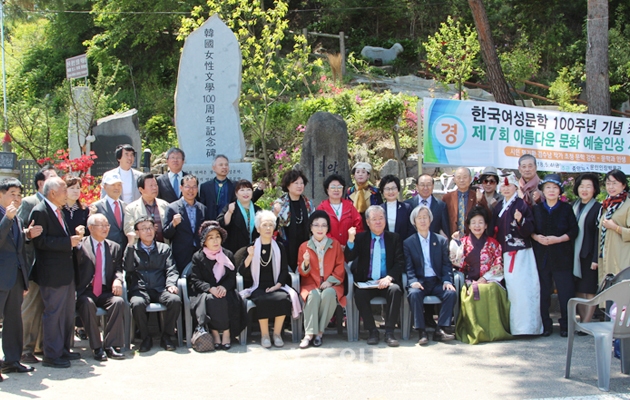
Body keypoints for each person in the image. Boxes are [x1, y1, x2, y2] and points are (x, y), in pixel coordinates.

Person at [30, 177, 84, 368]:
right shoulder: (40, 211)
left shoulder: (58, 211)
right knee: (54, 314)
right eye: (63, 189)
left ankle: (63, 350)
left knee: (67, 314)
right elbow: (40, 242)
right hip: (52, 273)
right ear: (52, 192)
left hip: (66, 271)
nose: (67, 193)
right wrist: (67, 242)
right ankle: (51, 355)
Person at [239, 210, 302, 348]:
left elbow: (284, 269)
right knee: (263, 299)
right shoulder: (252, 247)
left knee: (283, 298)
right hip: (257, 286)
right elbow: (242, 272)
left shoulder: (279, 247)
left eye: (270, 225)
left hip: (276, 285)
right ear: (258, 228)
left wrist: (278, 285)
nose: (268, 228)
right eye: (264, 225)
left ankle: (277, 334)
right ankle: (265, 335)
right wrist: (249, 256)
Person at [491, 173, 543, 335]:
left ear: (515, 187)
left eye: (509, 185)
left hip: (521, 254)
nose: (506, 188)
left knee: (524, 289)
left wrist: (521, 221)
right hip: (504, 253)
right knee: (512, 291)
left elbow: (530, 229)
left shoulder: (522, 205)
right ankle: (515, 327)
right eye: (503, 186)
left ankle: (528, 328)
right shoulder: (498, 206)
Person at [344, 206, 403, 347]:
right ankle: (372, 331)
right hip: (367, 282)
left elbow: (400, 262)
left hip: (386, 281)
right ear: (368, 222)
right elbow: (349, 256)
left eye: (381, 218)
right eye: (374, 219)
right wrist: (350, 241)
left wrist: (389, 277)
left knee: (396, 291)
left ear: (385, 220)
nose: (378, 222)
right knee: (359, 294)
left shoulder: (394, 238)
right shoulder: (361, 238)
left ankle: (389, 332)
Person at [451, 206, 511, 344]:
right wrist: (455, 244)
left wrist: (484, 278)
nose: (477, 226)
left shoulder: (494, 244)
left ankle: (494, 330)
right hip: (469, 281)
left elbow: (498, 264)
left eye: (480, 222)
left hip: (490, 280)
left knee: (490, 289)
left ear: (486, 226)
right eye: (474, 222)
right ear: (469, 225)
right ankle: (474, 330)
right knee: (472, 291)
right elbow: (455, 261)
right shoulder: (464, 242)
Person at [0, 178, 41, 379]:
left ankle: (12, 361)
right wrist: (6, 218)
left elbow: (18, 249)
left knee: (14, 321)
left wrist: (27, 234)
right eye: (11, 194)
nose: (16, 198)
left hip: (15, 277)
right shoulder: (8, 216)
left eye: (18, 194)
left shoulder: (16, 217)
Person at [124, 217, 181, 352]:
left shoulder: (164, 248)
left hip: (160, 288)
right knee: (137, 304)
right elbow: (128, 268)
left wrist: (171, 284)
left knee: (175, 300)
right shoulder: (133, 249)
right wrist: (130, 246)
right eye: (143, 229)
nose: (148, 231)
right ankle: (145, 338)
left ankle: (167, 336)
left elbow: (171, 269)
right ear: (137, 233)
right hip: (140, 288)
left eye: (150, 227)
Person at [532, 174, 578, 337]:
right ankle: (546, 325)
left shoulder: (566, 208)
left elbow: (574, 231)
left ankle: (566, 325)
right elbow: (531, 229)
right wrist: (537, 237)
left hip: (562, 256)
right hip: (542, 255)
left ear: (560, 191)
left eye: (555, 187)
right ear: (543, 191)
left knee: (565, 292)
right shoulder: (537, 209)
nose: (551, 191)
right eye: (548, 187)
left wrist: (558, 239)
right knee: (544, 292)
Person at [19, 165, 57, 364]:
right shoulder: (29, 202)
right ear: (41, 183)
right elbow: (20, 231)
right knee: (31, 307)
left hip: (50, 266)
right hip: (33, 264)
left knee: (45, 306)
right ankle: (25, 348)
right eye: (52, 177)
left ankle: (41, 346)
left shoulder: (56, 204)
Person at [75, 214, 126, 361]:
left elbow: (118, 268)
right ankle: (97, 347)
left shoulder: (114, 247)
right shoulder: (80, 245)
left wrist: (118, 279)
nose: (105, 228)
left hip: (105, 289)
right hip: (86, 290)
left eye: (107, 225)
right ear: (90, 228)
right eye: (101, 225)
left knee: (118, 302)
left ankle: (111, 345)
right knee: (87, 304)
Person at [188, 221, 246, 350]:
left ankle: (226, 332)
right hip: (205, 292)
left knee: (225, 299)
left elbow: (232, 277)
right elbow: (195, 280)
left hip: (227, 291)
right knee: (211, 299)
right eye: (211, 237)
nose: (215, 241)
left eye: (217, 237)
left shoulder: (228, 254)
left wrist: (224, 287)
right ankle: (214, 333)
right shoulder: (198, 257)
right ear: (205, 241)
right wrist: (210, 288)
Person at [404, 205, 456, 345]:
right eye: (419, 218)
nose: (422, 221)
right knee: (414, 294)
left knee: (450, 293)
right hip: (420, 281)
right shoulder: (409, 243)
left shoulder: (440, 241)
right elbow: (408, 267)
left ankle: (441, 329)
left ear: (430, 220)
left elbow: (446, 264)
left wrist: (447, 281)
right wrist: (413, 281)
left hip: (437, 280)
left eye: (425, 217)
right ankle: (421, 331)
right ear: (414, 221)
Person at [297, 211, 346, 349]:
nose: (320, 228)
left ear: (328, 228)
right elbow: (303, 273)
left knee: (329, 294)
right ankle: (309, 334)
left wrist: (330, 281)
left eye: (324, 225)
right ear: (311, 227)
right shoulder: (304, 246)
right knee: (313, 296)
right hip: (311, 283)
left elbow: (340, 266)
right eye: (316, 225)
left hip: (332, 284)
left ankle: (319, 333)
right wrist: (306, 263)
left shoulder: (335, 244)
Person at [572, 173, 602, 324]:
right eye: (581, 186)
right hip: (574, 256)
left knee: (589, 290)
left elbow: (599, 235)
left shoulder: (598, 208)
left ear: (594, 189)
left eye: (588, 186)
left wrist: (596, 258)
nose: (584, 190)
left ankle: (587, 322)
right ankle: (582, 321)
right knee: (578, 290)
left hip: (589, 256)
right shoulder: (574, 206)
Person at [163, 175, 208, 274]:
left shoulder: (203, 208)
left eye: (194, 187)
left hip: (199, 253)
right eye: (187, 186)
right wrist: (173, 224)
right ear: (181, 188)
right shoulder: (172, 208)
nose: (191, 190)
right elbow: (166, 233)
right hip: (181, 253)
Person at [199, 155, 265, 221]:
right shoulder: (205, 186)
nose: (224, 167)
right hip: (211, 223)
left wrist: (259, 190)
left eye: (226, 165)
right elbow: (202, 208)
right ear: (213, 168)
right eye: (221, 165)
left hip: (231, 223)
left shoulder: (236, 185)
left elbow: (247, 200)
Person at [272, 169, 315, 270]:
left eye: (302, 183)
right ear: (288, 185)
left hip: (306, 243)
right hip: (286, 244)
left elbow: (313, 222)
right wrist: (275, 213)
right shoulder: (280, 203)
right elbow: (273, 226)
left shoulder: (308, 203)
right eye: (296, 183)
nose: (300, 186)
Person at [597, 169, 630, 283]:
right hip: (606, 255)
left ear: (624, 185)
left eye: (615, 183)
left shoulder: (627, 205)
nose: (611, 186)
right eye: (608, 183)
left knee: (620, 293)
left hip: (622, 257)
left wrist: (615, 227)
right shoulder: (607, 205)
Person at [316, 174, 363, 247]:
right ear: (327, 189)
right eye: (333, 187)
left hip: (349, 249)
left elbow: (358, 226)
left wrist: (350, 243)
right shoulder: (322, 208)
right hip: (327, 248)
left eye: (339, 187)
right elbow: (318, 229)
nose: (336, 190)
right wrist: (336, 245)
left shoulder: (350, 207)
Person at [442, 167, 489, 238]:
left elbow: (487, 216)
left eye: (465, 177)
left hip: (472, 239)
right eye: (459, 177)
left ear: (470, 179)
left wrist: (480, 201)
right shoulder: (447, 198)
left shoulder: (477, 196)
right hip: (453, 238)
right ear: (454, 179)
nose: (462, 180)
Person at [217, 180, 261, 254]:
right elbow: (221, 225)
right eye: (242, 190)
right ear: (236, 193)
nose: (245, 193)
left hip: (254, 250)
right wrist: (230, 212)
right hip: (234, 250)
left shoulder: (257, 209)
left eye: (248, 190)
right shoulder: (230, 207)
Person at [124, 173, 169, 243]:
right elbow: (128, 229)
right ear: (141, 189)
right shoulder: (131, 209)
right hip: (142, 249)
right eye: (151, 186)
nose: (154, 188)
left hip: (163, 250)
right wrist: (146, 231)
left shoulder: (165, 205)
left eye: (156, 185)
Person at [405, 174, 450, 238]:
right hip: (413, 245)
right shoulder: (407, 205)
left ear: (433, 186)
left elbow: (445, 230)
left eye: (428, 185)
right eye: (422, 185)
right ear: (417, 186)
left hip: (434, 244)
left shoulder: (441, 206)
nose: (425, 188)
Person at [91, 173, 127, 248]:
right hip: (106, 248)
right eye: (113, 185)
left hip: (124, 248)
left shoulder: (126, 206)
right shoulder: (97, 207)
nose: (117, 188)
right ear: (105, 187)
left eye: (119, 185)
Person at [346, 162, 382, 227]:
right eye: (358, 172)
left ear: (368, 175)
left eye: (363, 172)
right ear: (354, 175)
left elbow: (380, 208)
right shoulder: (350, 191)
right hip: (353, 225)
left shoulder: (374, 191)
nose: (360, 174)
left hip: (371, 224)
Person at [379, 174, 414, 241]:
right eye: (387, 189)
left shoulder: (406, 208)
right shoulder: (379, 209)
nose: (391, 191)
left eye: (393, 188)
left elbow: (411, 229)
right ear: (382, 191)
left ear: (398, 189)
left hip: (403, 246)